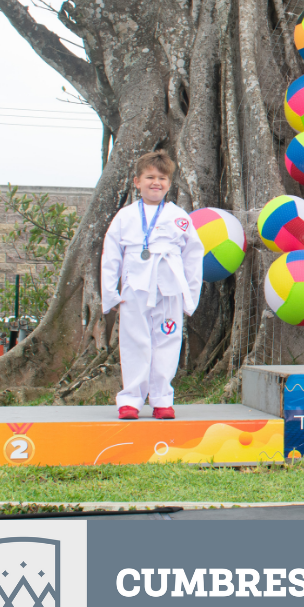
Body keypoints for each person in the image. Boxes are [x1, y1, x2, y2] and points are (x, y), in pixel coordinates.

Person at [101, 150, 204, 420]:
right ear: (137, 182)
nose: (155, 182)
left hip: (169, 290)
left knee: (167, 342)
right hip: (134, 290)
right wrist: (111, 294)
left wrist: (190, 296)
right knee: (134, 342)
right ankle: (131, 400)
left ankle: (161, 398)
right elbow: (111, 257)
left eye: (161, 178)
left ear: (169, 184)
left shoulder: (179, 217)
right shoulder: (124, 217)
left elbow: (193, 258)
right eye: (149, 177)